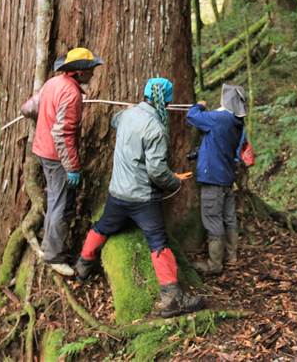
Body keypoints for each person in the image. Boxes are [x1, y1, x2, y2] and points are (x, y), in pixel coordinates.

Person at [74, 77, 204, 318]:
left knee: (103, 227)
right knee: (158, 241)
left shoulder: (128, 115)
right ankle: (173, 298)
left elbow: (115, 120)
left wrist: (128, 110)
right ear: (165, 101)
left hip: (117, 193)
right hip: (143, 198)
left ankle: (82, 267)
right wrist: (174, 181)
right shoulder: (155, 128)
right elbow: (156, 171)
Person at [21, 47, 104, 276]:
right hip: (57, 157)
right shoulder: (71, 94)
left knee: (55, 200)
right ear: (78, 72)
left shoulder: (52, 83)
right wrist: (73, 167)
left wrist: (43, 117)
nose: (93, 74)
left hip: (42, 151)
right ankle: (53, 256)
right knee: (59, 204)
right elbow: (63, 134)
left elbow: (28, 108)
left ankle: (51, 247)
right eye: (90, 69)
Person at [186, 84, 246, 274]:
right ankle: (232, 257)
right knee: (229, 218)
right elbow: (217, 144)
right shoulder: (237, 123)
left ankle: (215, 264)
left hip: (213, 178)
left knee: (213, 220)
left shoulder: (219, 118)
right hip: (227, 178)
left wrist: (199, 106)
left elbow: (192, 116)